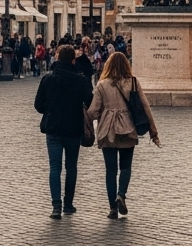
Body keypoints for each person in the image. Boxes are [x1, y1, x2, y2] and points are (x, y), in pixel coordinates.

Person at [87, 52, 160, 219]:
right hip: (127, 127)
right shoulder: (132, 82)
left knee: (110, 170)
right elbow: (145, 107)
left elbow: (92, 112)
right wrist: (153, 131)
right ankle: (121, 194)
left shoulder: (102, 85)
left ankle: (112, 208)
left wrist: (83, 120)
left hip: (107, 129)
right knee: (125, 167)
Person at [36, 45, 95, 218]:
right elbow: (90, 102)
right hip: (73, 128)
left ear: (58, 58)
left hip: (53, 128)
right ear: (73, 60)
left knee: (54, 167)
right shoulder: (80, 79)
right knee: (71, 167)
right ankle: (68, 204)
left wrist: (50, 109)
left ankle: (56, 206)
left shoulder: (48, 79)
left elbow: (38, 105)